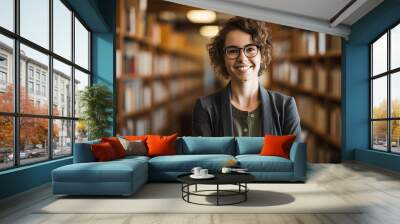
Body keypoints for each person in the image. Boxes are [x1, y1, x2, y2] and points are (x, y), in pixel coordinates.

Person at [192, 16, 301, 140]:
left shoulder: (285, 107)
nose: (242, 58)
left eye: (250, 49)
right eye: (233, 51)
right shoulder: (205, 108)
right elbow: (204, 159)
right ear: (222, 58)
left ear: (262, 56)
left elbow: (295, 159)